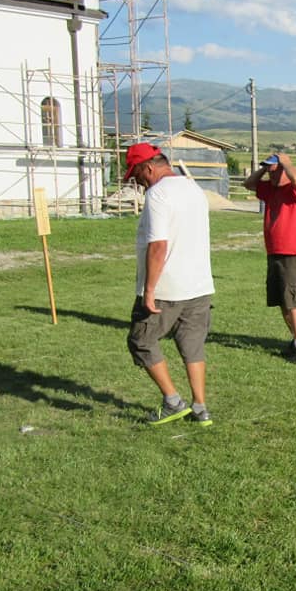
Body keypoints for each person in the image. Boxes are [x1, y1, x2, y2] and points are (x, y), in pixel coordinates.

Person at [125, 143, 215, 426]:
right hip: (199, 284)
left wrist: (149, 291)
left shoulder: (158, 194)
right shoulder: (194, 189)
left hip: (168, 288)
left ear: (149, 168)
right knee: (192, 345)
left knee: (141, 340)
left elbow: (158, 246)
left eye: (137, 175)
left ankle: (173, 401)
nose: (137, 182)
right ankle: (200, 408)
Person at [244, 153, 296, 363]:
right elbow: (249, 184)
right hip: (274, 251)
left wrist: (286, 163)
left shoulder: (295, 189)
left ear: (285, 170)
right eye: (270, 173)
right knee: (283, 302)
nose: (272, 176)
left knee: (293, 301)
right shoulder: (269, 189)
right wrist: (265, 168)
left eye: (275, 172)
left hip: (293, 252)